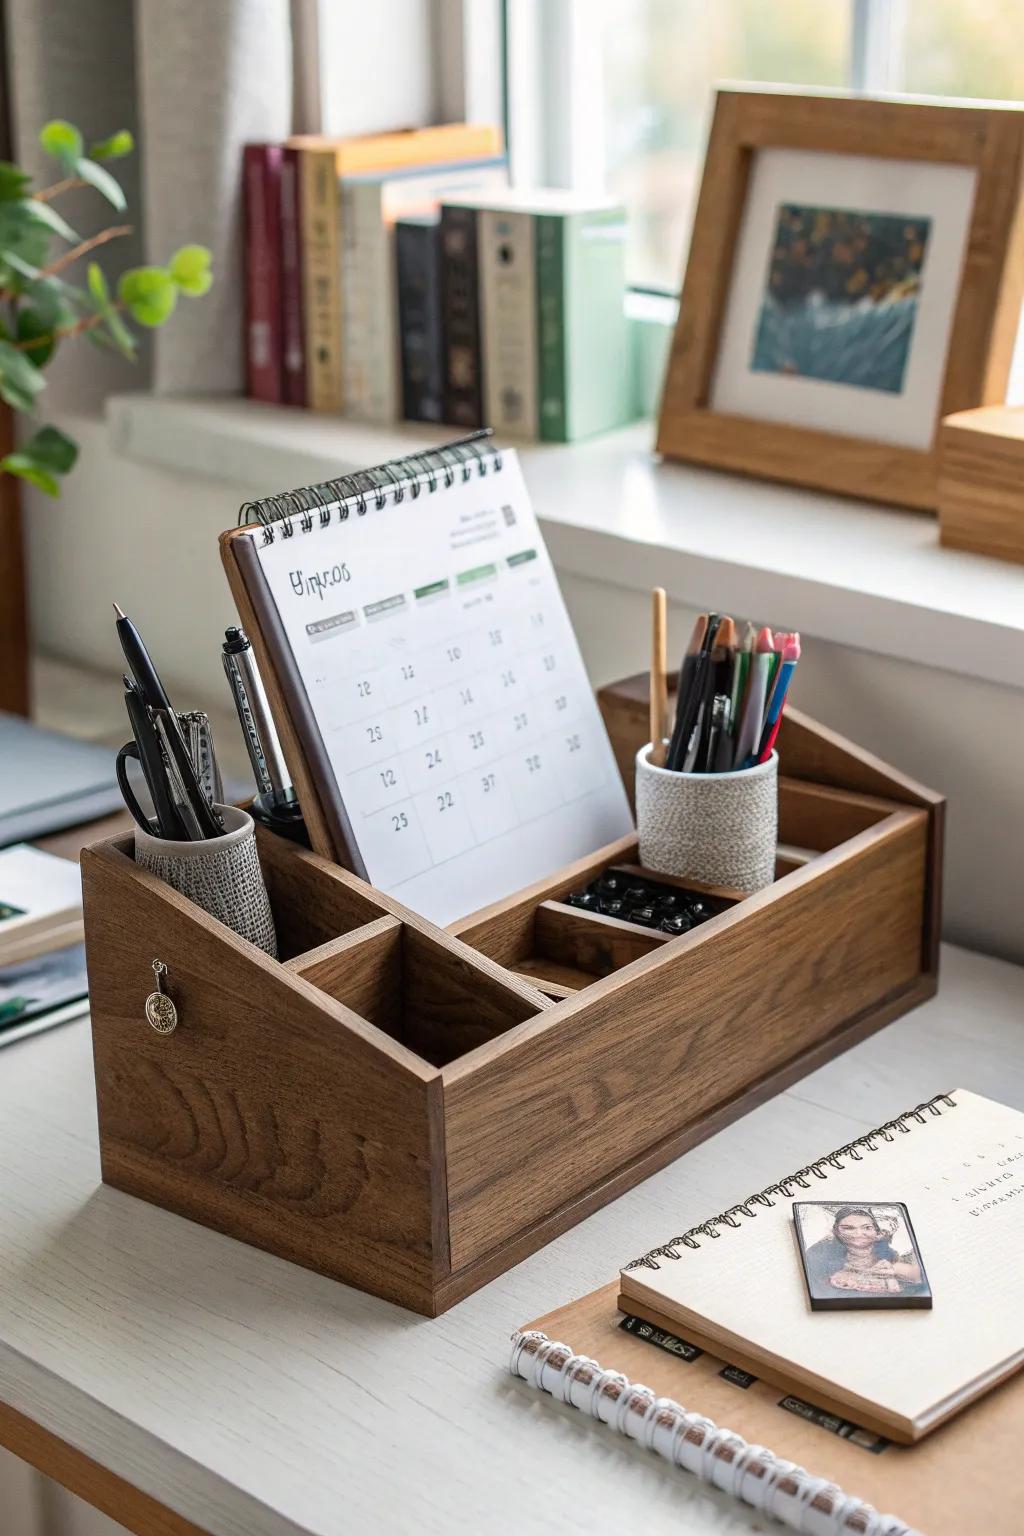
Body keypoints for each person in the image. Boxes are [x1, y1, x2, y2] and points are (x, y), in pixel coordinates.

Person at [803, 1206, 923, 1297]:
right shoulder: (822, 1265)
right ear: (836, 1231)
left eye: (867, 1227)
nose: (858, 1233)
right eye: (848, 1228)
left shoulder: (897, 1264)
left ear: (878, 1233)